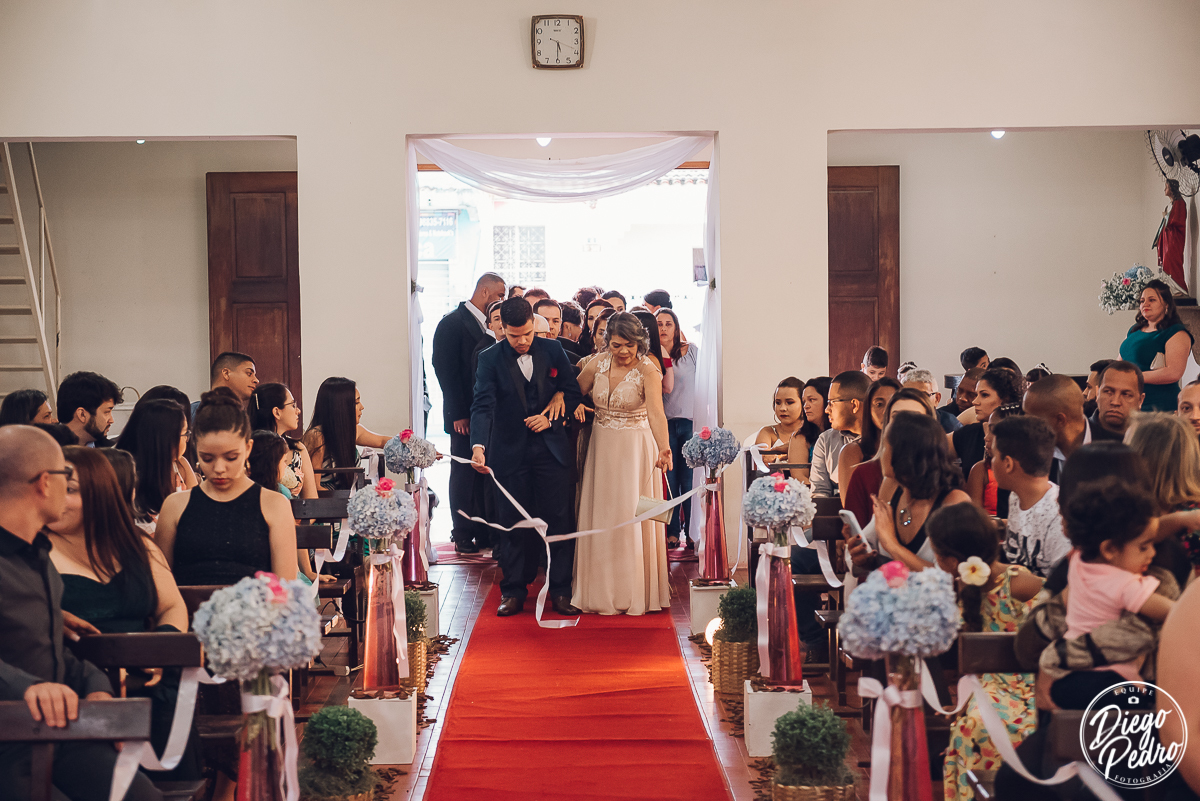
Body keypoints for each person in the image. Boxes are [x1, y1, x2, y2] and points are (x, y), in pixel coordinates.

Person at [0, 426, 164, 801]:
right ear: (45, 483)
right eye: (65, 476)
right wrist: (26, 688)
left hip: (56, 733)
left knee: (144, 797)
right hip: (9, 738)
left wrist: (94, 686)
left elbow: (47, 649)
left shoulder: (36, 554)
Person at [47, 446, 199, 780]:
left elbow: (171, 605)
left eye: (70, 489)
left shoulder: (136, 544)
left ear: (100, 493)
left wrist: (161, 647)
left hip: (149, 677)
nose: (56, 498)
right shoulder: (35, 552)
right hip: (79, 688)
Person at [470, 297, 583, 617]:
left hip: (551, 451)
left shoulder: (553, 350)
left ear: (534, 326)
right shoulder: (489, 359)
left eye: (528, 334)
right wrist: (478, 446)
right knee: (512, 523)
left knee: (559, 521)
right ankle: (514, 591)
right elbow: (482, 405)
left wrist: (552, 418)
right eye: (514, 336)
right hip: (509, 451)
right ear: (501, 329)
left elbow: (572, 391)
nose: (522, 342)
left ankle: (561, 590)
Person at [928, 503, 1042, 801]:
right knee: (973, 724)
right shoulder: (962, 586)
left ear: (952, 560)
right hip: (989, 685)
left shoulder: (1017, 582)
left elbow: (1058, 613)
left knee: (983, 724)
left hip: (1031, 685)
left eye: (936, 553)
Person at [571, 312, 672, 616]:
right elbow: (575, 390)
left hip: (636, 450)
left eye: (630, 345)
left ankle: (633, 590)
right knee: (602, 512)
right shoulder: (597, 363)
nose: (623, 351)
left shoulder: (648, 370)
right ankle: (598, 589)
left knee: (631, 512)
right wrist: (567, 400)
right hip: (601, 447)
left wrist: (664, 448)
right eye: (616, 345)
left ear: (639, 343)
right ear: (607, 342)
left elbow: (656, 412)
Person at [156, 388, 298, 584]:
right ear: (196, 450)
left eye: (231, 457)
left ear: (247, 448)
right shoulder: (175, 506)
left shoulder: (275, 505)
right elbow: (161, 585)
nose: (219, 468)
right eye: (207, 458)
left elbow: (285, 588)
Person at [1054, 477, 1173, 701]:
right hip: (1106, 680)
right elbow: (1172, 611)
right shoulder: (1124, 584)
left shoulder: (1077, 560)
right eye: (1143, 547)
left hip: (1068, 673)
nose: (1152, 553)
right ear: (1109, 549)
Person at [432, 272, 506, 554]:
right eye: (500, 295)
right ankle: (462, 532)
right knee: (464, 473)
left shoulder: (491, 324)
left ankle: (484, 531)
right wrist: (458, 413)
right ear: (485, 292)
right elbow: (445, 371)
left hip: (487, 414)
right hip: (463, 415)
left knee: (484, 475)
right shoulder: (452, 322)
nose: (502, 300)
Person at [850, 411, 971, 571]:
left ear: (904, 454)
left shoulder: (954, 502)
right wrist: (861, 557)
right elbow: (869, 549)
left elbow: (952, 577)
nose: (880, 454)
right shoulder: (893, 490)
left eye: (885, 446)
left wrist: (892, 545)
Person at [1125, 412, 1200, 586]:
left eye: (1127, 447)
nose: (1119, 456)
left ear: (1148, 461)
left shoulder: (1193, 525)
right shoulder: (1132, 506)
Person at [842, 388, 935, 527]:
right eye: (896, 418)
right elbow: (861, 533)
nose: (904, 426)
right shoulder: (870, 475)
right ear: (887, 424)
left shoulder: (943, 480)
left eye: (915, 418)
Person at [992, 416, 1070, 578]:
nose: (992, 462)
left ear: (1008, 464)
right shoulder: (1016, 496)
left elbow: (1065, 585)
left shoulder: (1059, 518)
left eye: (994, 456)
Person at [303, 377, 390, 492]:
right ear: (341, 407)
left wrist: (408, 442)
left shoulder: (353, 430)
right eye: (356, 402)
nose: (362, 407)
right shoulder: (317, 436)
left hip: (348, 497)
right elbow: (314, 488)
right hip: (329, 500)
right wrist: (354, 498)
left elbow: (382, 441)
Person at [1120, 279, 1194, 411]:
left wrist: (1133, 377)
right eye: (1142, 301)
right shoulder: (1134, 330)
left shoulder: (1176, 332)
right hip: (1129, 401)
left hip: (1159, 404)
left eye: (1152, 300)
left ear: (1166, 304)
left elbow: (1173, 372)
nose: (1145, 304)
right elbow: (1121, 361)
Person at [113, 398, 191, 524]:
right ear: (167, 439)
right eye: (185, 433)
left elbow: (199, 511)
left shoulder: (180, 465)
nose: (187, 439)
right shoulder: (125, 478)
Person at [1022, 374, 1112, 482]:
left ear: (1060, 420)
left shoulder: (1116, 453)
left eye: (1032, 419)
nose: (1025, 426)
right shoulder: (1030, 455)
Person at [658, 308, 698, 548]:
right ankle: (672, 532)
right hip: (664, 424)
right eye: (659, 324)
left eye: (668, 324)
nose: (663, 328)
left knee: (689, 480)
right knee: (669, 481)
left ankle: (691, 531)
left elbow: (705, 383)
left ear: (676, 327)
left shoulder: (691, 351)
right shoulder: (651, 355)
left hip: (690, 422)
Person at [952, 367, 1024, 481]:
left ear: (1005, 400)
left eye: (984, 395)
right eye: (976, 395)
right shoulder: (971, 433)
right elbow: (932, 447)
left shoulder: (1024, 438)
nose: (975, 402)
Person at [836, 377, 901, 500]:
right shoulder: (853, 451)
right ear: (868, 409)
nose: (886, 411)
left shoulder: (915, 449)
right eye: (879, 404)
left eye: (893, 404)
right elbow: (850, 504)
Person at [810, 371, 869, 498]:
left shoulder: (883, 439)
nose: (826, 410)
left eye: (831, 402)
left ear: (854, 405)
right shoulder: (826, 440)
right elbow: (819, 492)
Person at [965, 403, 1022, 518]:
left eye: (993, 430)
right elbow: (974, 519)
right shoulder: (981, 470)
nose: (986, 437)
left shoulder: (1028, 475)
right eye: (988, 429)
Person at [57, 370, 123, 447]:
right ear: (82, 414)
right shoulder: (48, 449)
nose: (111, 420)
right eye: (107, 412)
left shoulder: (113, 450)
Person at [191, 352, 258, 418]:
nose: (256, 380)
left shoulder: (248, 417)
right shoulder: (190, 413)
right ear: (226, 374)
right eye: (249, 374)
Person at [1092, 359, 1144, 437]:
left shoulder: (1152, 439)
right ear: (1097, 393)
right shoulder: (1079, 435)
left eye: (1126, 394)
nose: (1115, 402)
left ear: (1140, 400)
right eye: (1108, 392)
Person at [902, 368, 961, 434]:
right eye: (908, 395)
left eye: (923, 396)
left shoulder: (950, 426)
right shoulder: (898, 423)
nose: (914, 401)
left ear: (937, 399)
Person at [1156, 178, 1188, 293]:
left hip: (1174, 239)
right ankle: (1171, 290)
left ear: (1172, 188)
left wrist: (1167, 217)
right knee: (1166, 262)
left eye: (1166, 187)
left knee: (1173, 262)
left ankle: (1179, 289)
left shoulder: (1180, 203)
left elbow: (1178, 221)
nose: (1164, 189)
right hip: (1167, 239)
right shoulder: (1170, 205)